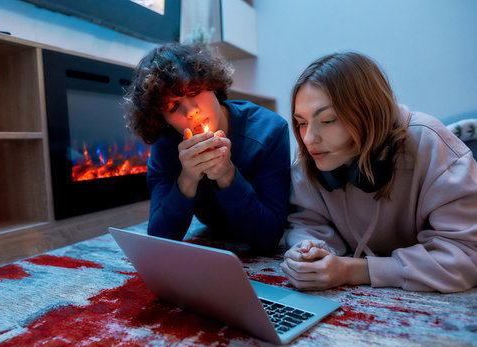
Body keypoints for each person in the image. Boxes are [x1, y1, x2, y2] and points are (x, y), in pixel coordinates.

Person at [281, 52, 477, 293]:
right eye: (301, 122)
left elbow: (466, 256)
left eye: (329, 119)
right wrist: (308, 252)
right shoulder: (312, 158)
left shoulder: (430, 143)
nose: (309, 138)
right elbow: (305, 224)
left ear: (369, 114)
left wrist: (353, 270)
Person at [123, 43, 290, 254]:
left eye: (194, 92)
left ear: (211, 85)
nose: (191, 111)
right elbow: (159, 240)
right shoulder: (165, 145)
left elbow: (268, 238)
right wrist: (188, 178)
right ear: (162, 120)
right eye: (173, 107)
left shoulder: (270, 131)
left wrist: (227, 175)